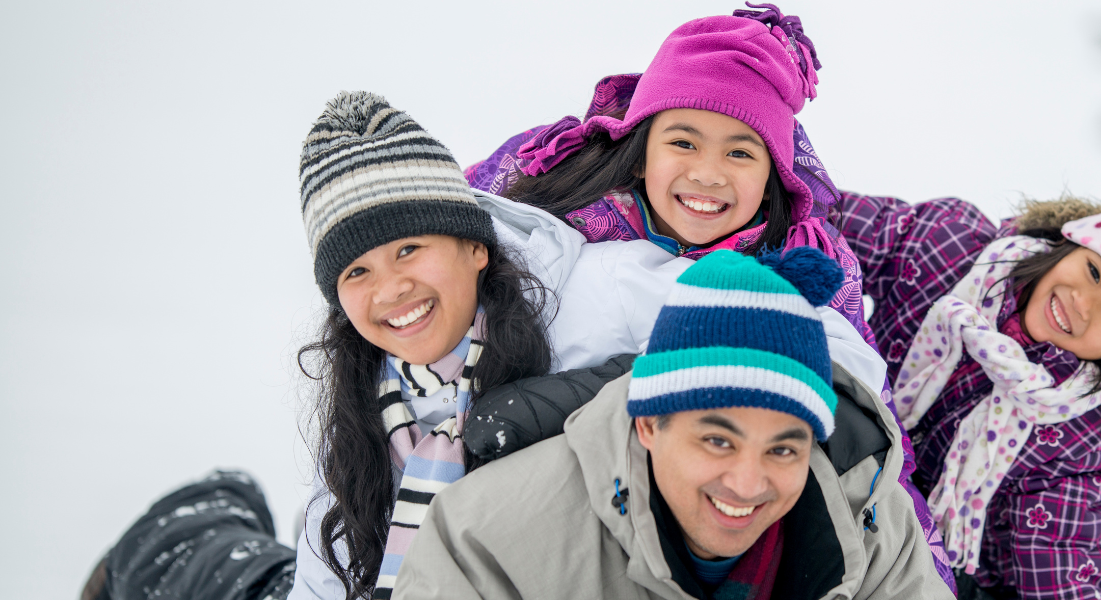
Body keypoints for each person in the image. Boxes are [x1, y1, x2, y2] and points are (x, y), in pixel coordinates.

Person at [83, 90, 890, 600]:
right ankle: (187, 526)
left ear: (476, 247)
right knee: (204, 567)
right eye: (357, 271)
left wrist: (584, 395)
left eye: (409, 251)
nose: (390, 290)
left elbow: (795, 336)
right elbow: (335, 552)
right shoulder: (375, 399)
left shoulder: (587, 293)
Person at [465, 5, 953, 587]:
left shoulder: (804, 262)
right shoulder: (564, 229)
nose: (708, 174)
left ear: (772, 173)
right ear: (641, 146)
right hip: (565, 520)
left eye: (740, 152)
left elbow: (865, 426)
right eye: (684, 142)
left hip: (731, 521)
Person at [393, 248, 954, 599]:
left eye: (784, 450)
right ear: (649, 426)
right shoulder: (486, 534)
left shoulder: (871, 520)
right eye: (716, 440)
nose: (746, 482)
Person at [832, 191, 1101, 599]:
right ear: (1072, 241)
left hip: (964, 574)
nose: (1084, 303)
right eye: (1096, 271)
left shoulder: (1078, 448)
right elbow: (811, 217)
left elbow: (1065, 564)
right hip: (881, 508)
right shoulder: (951, 248)